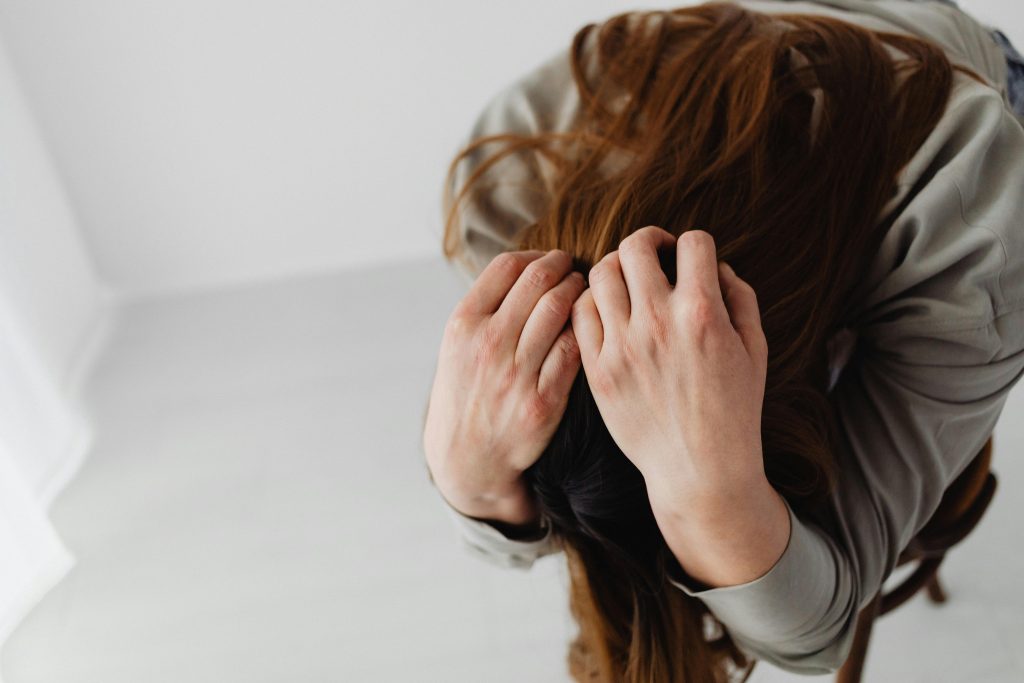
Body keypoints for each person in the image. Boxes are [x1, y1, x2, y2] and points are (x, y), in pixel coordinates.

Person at [421, 1, 1024, 680]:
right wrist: (468, 481)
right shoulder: (503, 182)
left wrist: (710, 490)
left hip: (950, 64)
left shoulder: (973, 217)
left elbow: (816, 637)